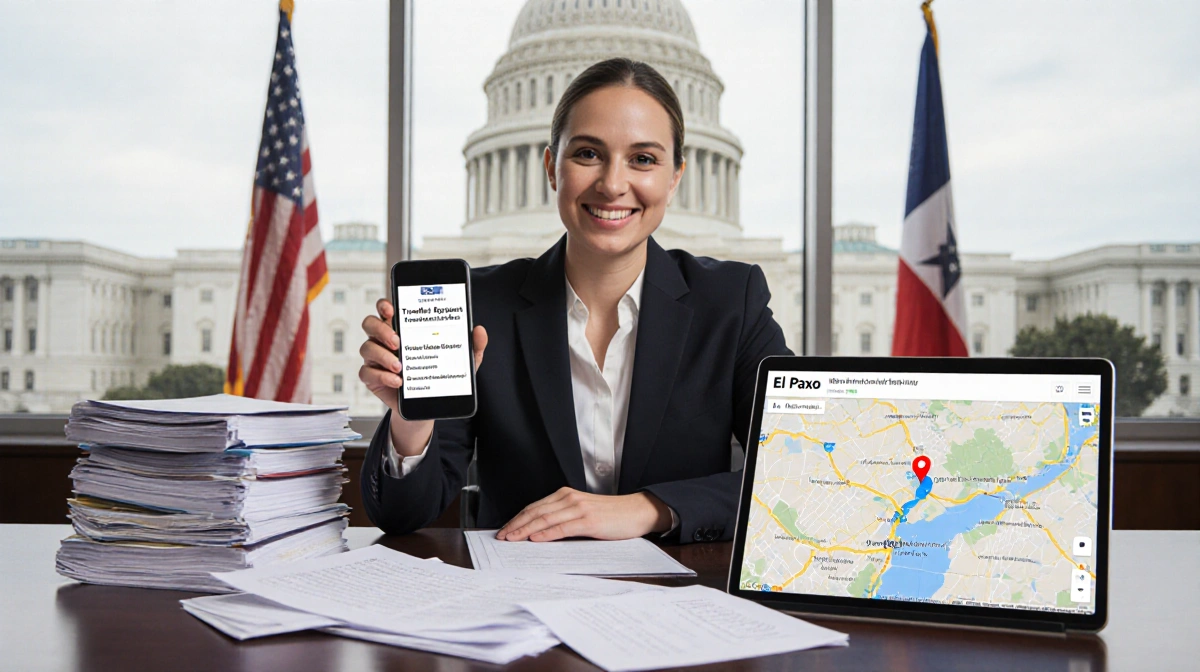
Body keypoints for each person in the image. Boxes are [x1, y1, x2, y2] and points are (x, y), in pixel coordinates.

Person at [358, 57, 791, 544]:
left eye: (643, 159)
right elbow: (401, 515)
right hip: (521, 601)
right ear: (550, 167)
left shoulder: (732, 302)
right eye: (588, 154)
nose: (612, 184)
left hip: (679, 599)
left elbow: (800, 471)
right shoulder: (483, 306)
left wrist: (648, 510)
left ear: (674, 178)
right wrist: (409, 418)